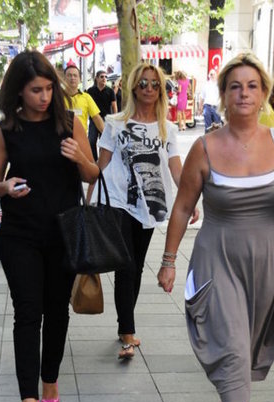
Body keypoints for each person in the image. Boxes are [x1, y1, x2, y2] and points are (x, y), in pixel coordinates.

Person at [157, 52, 274, 402]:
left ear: (263, 94)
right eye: (235, 87)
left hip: (269, 258)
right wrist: (169, 260)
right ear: (224, 96)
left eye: (252, 86)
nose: (244, 93)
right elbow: (182, 207)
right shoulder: (204, 147)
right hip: (218, 256)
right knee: (231, 339)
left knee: (250, 340)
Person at [0, 51, 99, 402]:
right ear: (19, 91)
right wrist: (5, 187)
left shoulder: (68, 124)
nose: (45, 96)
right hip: (19, 236)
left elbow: (92, 174)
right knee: (27, 313)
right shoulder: (6, 130)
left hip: (64, 234)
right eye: (36, 90)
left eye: (49, 88)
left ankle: (50, 378)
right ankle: (28, 397)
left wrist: (79, 156)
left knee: (56, 310)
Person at [88, 62, 198, 360]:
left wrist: (190, 200)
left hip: (149, 205)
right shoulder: (114, 123)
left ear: (161, 90)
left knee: (135, 266)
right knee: (125, 265)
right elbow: (101, 164)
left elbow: (176, 169)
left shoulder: (167, 128)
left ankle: (125, 324)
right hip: (118, 202)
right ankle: (127, 331)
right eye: (143, 83)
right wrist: (88, 199)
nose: (149, 88)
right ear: (133, 88)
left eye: (154, 84)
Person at [64, 64, 104, 134]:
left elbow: (96, 118)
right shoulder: (57, 97)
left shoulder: (86, 97)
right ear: (64, 79)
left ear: (80, 79)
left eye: (75, 75)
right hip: (62, 138)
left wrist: (106, 136)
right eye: (69, 75)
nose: (72, 78)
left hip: (81, 138)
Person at [87, 70, 117, 160]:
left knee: (104, 143)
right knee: (91, 141)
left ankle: (102, 161)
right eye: (102, 77)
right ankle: (94, 160)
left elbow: (114, 106)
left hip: (106, 120)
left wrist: (115, 119)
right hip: (94, 119)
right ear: (96, 78)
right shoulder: (90, 91)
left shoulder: (110, 91)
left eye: (105, 77)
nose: (104, 78)